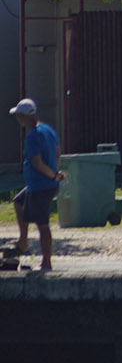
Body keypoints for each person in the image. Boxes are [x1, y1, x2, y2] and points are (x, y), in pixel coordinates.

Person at [12, 99, 64, 272]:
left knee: (43, 224)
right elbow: (58, 151)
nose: (18, 119)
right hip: (41, 184)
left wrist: (54, 175)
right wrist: (55, 170)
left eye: (19, 116)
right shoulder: (47, 129)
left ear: (23, 116)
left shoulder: (32, 136)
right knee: (18, 202)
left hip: (40, 186)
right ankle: (23, 242)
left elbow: (37, 163)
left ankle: (46, 263)